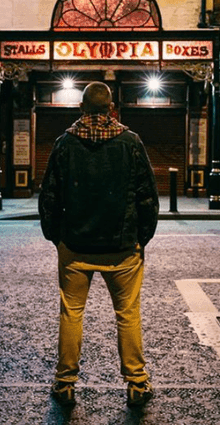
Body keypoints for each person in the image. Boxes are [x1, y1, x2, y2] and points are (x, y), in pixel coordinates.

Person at [39, 81, 159, 407]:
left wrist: (57, 238)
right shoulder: (131, 142)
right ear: (111, 109)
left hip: (76, 245)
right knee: (127, 314)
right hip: (122, 249)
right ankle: (137, 383)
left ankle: (65, 383)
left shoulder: (65, 143)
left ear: (81, 108)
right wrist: (140, 239)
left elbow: (49, 197)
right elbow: (147, 197)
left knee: (71, 313)